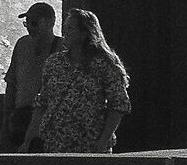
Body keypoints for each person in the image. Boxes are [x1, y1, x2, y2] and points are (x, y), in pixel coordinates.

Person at [23, 9, 131, 154]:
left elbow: (118, 105)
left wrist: (102, 142)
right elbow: (42, 104)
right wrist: (28, 140)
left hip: (89, 145)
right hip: (54, 145)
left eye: (70, 28)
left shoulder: (103, 64)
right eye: (65, 28)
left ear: (85, 33)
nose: (65, 33)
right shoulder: (54, 63)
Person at [0, 1, 60, 150]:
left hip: (48, 123)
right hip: (20, 118)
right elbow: (11, 85)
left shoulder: (62, 49)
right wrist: (6, 121)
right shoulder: (22, 45)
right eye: (27, 24)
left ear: (50, 23)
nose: (30, 29)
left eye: (34, 23)